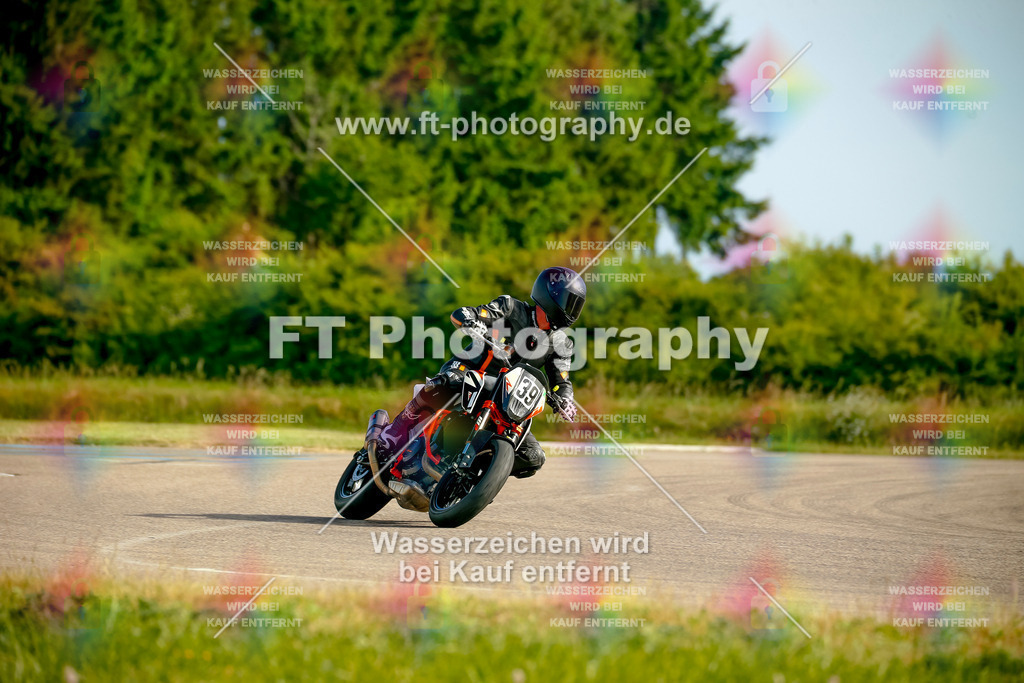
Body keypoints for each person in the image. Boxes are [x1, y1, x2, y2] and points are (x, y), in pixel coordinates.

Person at [375, 266, 586, 492]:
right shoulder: (511, 308)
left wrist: (565, 399)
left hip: (504, 400)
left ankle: (474, 479)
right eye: (568, 301)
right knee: (443, 384)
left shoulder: (562, 344)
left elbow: (561, 381)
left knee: (533, 456)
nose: (571, 309)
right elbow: (474, 313)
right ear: (549, 295)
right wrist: (471, 320)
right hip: (470, 372)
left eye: (575, 304)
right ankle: (393, 433)